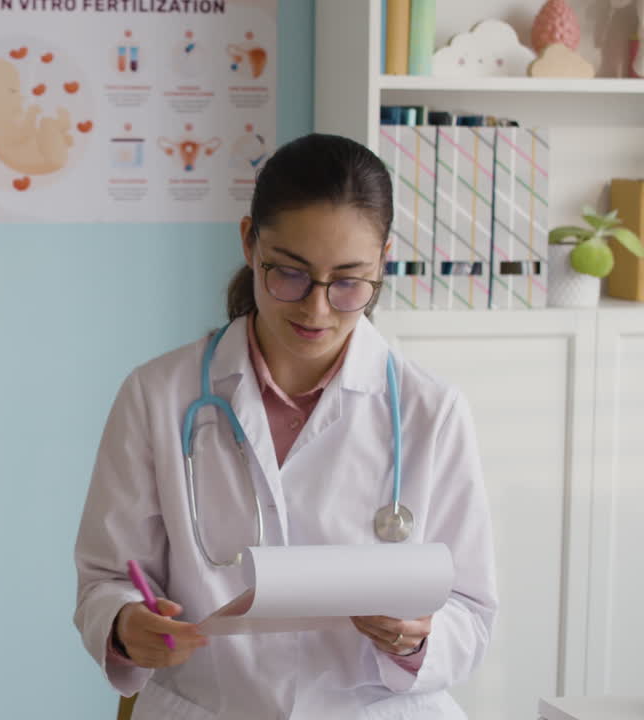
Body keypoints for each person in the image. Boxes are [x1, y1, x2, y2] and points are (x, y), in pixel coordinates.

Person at [73, 133, 497, 719]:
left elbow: (472, 613)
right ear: (250, 243)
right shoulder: (158, 396)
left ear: (383, 261)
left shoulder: (432, 412)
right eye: (290, 274)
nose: (317, 308)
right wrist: (124, 624)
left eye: (349, 281)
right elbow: (104, 578)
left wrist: (417, 636)